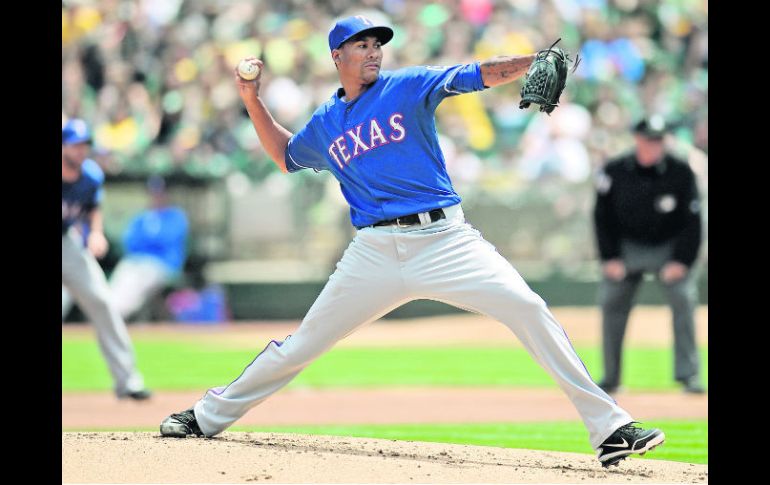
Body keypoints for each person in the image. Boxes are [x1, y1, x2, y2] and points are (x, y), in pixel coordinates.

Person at [160, 16, 664, 468]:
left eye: (378, 43)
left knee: (528, 308)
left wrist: (531, 61)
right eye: (362, 45)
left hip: (446, 239)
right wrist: (252, 100)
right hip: (373, 252)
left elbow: (477, 73)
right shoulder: (325, 123)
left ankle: (610, 429)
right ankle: (206, 416)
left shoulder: (408, 86)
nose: (375, 51)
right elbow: (285, 155)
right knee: (302, 345)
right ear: (338, 56)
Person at [593, 115, 705, 394]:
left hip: (669, 246)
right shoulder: (615, 170)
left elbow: (693, 221)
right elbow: (601, 217)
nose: (653, 146)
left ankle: (688, 375)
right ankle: (611, 377)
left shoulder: (681, 170)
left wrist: (682, 261)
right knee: (612, 302)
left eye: (658, 140)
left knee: (683, 299)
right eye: (648, 140)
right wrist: (610, 258)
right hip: (627, 247)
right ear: (637, 139)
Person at [62, 118, 151, 401]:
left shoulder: (90, 176)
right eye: (75, 145)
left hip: (68, 243)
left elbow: (93, 207)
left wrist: (96, 233)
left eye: (84, 145)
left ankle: (128, 381)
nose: (80, 150)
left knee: (102, 300)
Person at [106, 175, 189, 321]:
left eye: (160, 192)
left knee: (140, 278)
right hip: (136, 262)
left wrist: (148, 239)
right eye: (154, 192)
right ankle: (110, 311)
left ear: (166, 194)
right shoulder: (142, 217)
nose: (157, 196)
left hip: (162, 265)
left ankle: (119, 314)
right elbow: (129, 241)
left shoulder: (176, 216)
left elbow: (168, 239)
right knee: (123, 273)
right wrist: (151, 239)